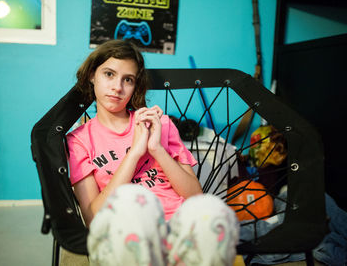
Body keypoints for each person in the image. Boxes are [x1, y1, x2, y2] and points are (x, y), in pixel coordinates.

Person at [66, 39, 239, 266]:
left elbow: (195, 196)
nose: (117, 87)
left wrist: (156, 149)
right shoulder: (79, 139)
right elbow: (94, 218)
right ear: (92, 75)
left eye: (127, 80)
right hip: (125, 232)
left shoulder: (161, 124)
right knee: (134, 200)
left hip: (176, 229)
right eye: (109, 74)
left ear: (135, 86)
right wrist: (135, 153)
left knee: (214, 209)